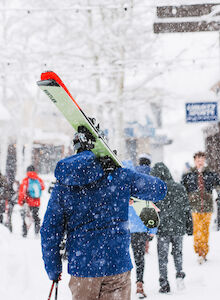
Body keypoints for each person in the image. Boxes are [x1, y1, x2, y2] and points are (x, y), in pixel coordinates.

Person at [40, 131, 167, 300]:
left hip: (83, 268)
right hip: (117, 264)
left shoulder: (64, 184)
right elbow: (159, 190)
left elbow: (50, 230)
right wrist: (121, 172)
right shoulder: (119, 175)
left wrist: (53, 269)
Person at [151, 162, 193, 294]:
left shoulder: (157, 190)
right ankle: (179, 273)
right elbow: (187, 208)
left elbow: (152, 211)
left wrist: (150, 228)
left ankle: (164, 283)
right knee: (177, 253)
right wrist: (189, 226)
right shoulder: (180, 187)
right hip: (178, 227)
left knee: (162, 257)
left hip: (163, 229)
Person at [181, 151, 220, 264]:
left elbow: (218, 185)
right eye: (198, 159)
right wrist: (187, 198)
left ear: (204, 160)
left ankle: (204, 252)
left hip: (207, 206)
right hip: (194, 207)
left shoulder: (210, 174)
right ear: (194, 161)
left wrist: (218, 196)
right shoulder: (189, 175)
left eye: (202, 159)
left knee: (205, 230)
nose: (200, 161)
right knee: (197, 229)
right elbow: (183, 188)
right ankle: (198, 250)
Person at [18, 165, 45, 237]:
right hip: (36, 202)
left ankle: (24, 233)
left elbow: (22, 192)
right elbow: (43, 187)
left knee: (26, 217)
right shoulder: (38, 179)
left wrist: (21, 202)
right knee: (36, 217)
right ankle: (37, 232)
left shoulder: (26, 180)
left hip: (27, 202)